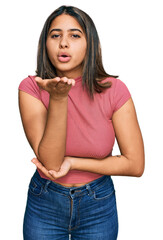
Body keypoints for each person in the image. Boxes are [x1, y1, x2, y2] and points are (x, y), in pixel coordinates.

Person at [18, 5, 145, 240]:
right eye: (55, 35)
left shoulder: (115, 90)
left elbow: (135, 165)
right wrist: (58, 97)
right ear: (45, 43)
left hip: (97, 203)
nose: (63, 43)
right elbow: (51, 163)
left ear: (90, 44)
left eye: (74, 35)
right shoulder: (31, 87)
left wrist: (74, 162)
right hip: (45, 202)